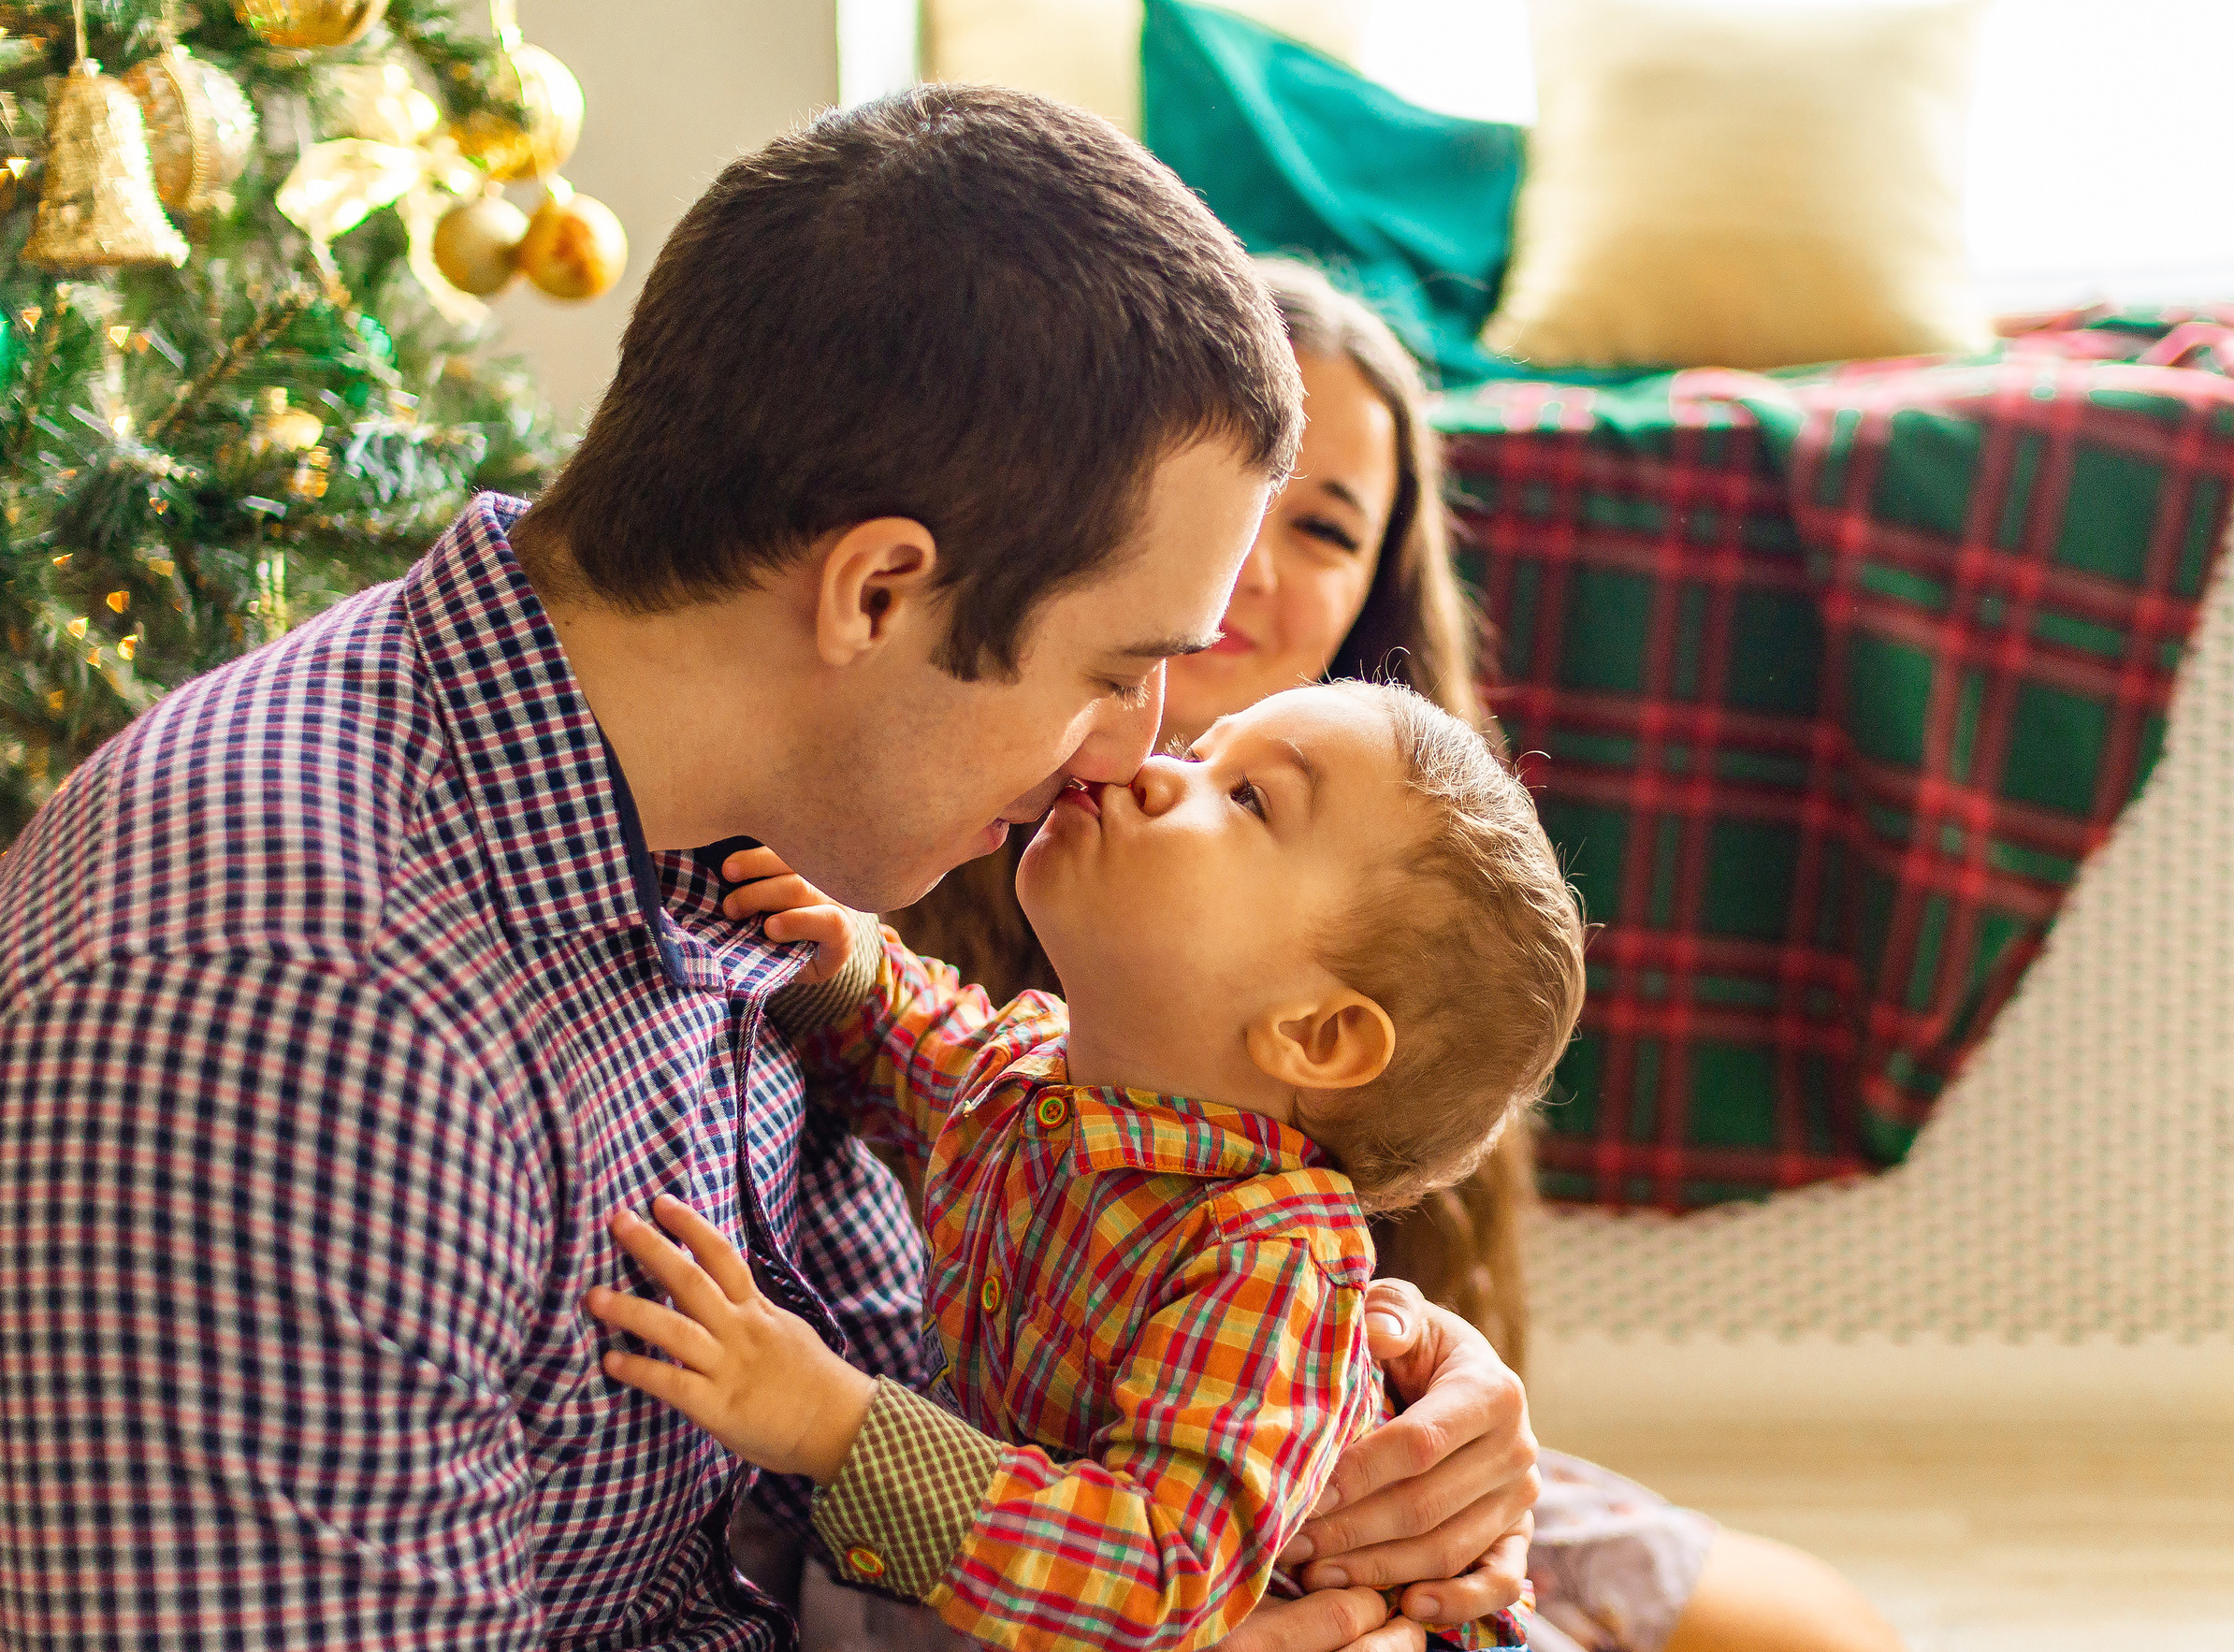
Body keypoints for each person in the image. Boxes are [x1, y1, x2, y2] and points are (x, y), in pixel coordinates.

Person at [0, 93, 1537, 1651]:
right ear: (876, 592)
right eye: (1114, 670)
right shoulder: (293, 1027)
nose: (1120, 757)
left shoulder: (702, 823)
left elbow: (970, 1333)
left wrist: (1370, 1393)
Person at [884, 260, 1903, 1652]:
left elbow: (1375, 1305)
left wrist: (1447, 1410)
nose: (1251, 561)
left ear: (1374, 597)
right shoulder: (932, 824)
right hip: (1045, 1493)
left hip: (1286, 1469)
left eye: (1322, 524)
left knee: (1818, 1632)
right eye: (1221, 499)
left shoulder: (1420, 908)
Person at [590, 681, 1582, 1651]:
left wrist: (835, 1424)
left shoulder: (1270, 1265)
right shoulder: (1047, 1077)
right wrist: (842, 963)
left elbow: (1158, 1565)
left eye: (1246, 796)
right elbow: (926, 1047)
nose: (1151, 767)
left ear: (1318, 1035)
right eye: (1200, 751)